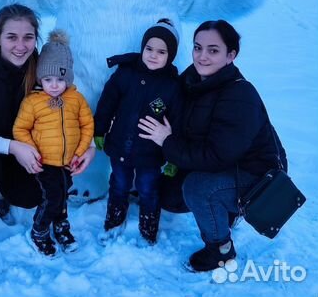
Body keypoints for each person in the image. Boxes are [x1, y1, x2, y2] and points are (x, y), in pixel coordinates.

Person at [0, 4, 95, 269]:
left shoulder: (39, 66)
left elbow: (70, 104)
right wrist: (13, 147)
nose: (20, 46)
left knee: (31, 195)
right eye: (11, 37)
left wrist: (88, 146)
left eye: (28, 37)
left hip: (19, 147)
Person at [138, 19, 287, 272]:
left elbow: (216, 156)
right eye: (197, 48)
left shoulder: (240, 95)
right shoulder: (194, 78)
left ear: (231, 55)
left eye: (213, 50)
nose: (202, 56)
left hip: (257, 177)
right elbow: (170, 103)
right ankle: (224, 209)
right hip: (223, 163)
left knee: (197, 188)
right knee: (169, 196)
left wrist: (167, 141)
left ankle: (221, 249)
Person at [94, 19, 183, 245]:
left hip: (151, 155)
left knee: (148, 189)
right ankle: (114, 218)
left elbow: (178, 122)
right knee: (119, 184)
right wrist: (100, 130)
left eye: (161, 51)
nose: (153, 55)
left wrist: (174, 156)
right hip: (120, 146)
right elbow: (107, 103)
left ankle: (148, 223)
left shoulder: (172, 86)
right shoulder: (125, 73)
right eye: (149, 49)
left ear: (170, 55)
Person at [13, 30, 94, 256]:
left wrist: (79, 152)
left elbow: (87, 125)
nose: (55, 85)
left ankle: (60, 225)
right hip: (45, 162)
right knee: (53, 197)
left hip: (68, 161)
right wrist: (32, 151)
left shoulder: (76, 99)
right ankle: (39, 230)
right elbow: (20, 129)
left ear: (68, 77)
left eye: (60, 79)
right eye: (48, 80)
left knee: (63, 192)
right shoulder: (33, 102)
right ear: (40, 78)